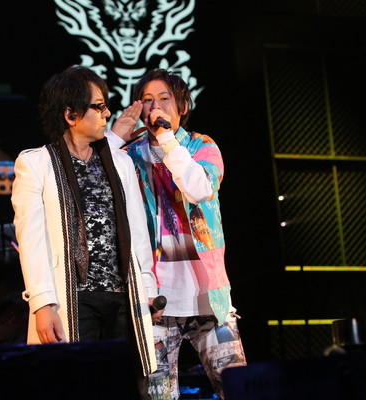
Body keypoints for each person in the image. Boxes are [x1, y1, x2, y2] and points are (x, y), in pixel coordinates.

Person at [11, 66, 157, 398]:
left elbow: (137, 231)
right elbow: (31, 239)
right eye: (99, 106)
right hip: (73, 297)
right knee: (75, 386)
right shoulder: (35, 163)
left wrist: (147, 289)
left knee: (127, 387)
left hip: (122, 296)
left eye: (106, 106)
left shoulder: (119, 162)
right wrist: (42, 304)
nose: (107, 113)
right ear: (71, 114)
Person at [108, 69, 247, 400]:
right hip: (155, 300)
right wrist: (114, 138)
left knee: (238, 390)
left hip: (209, 299)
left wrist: (167, 140)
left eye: (164, 98)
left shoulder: (202, 146)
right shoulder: (130, 155)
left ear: (183, 106)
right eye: (147, 100)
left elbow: (200, 189)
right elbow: (96, 180)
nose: (155, 106)